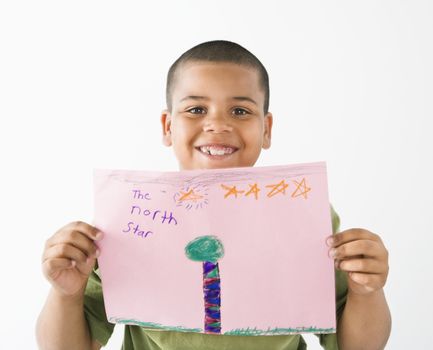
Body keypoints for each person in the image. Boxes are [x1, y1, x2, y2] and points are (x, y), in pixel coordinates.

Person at [36, 40, 391, 350]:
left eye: (240, 110)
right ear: (167, 126)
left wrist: (366, 292)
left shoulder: (306, 214)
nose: (218, 125)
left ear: (265, 129)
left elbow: (356, 345)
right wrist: (66, 294)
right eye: (195, 109)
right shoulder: (126, 218)